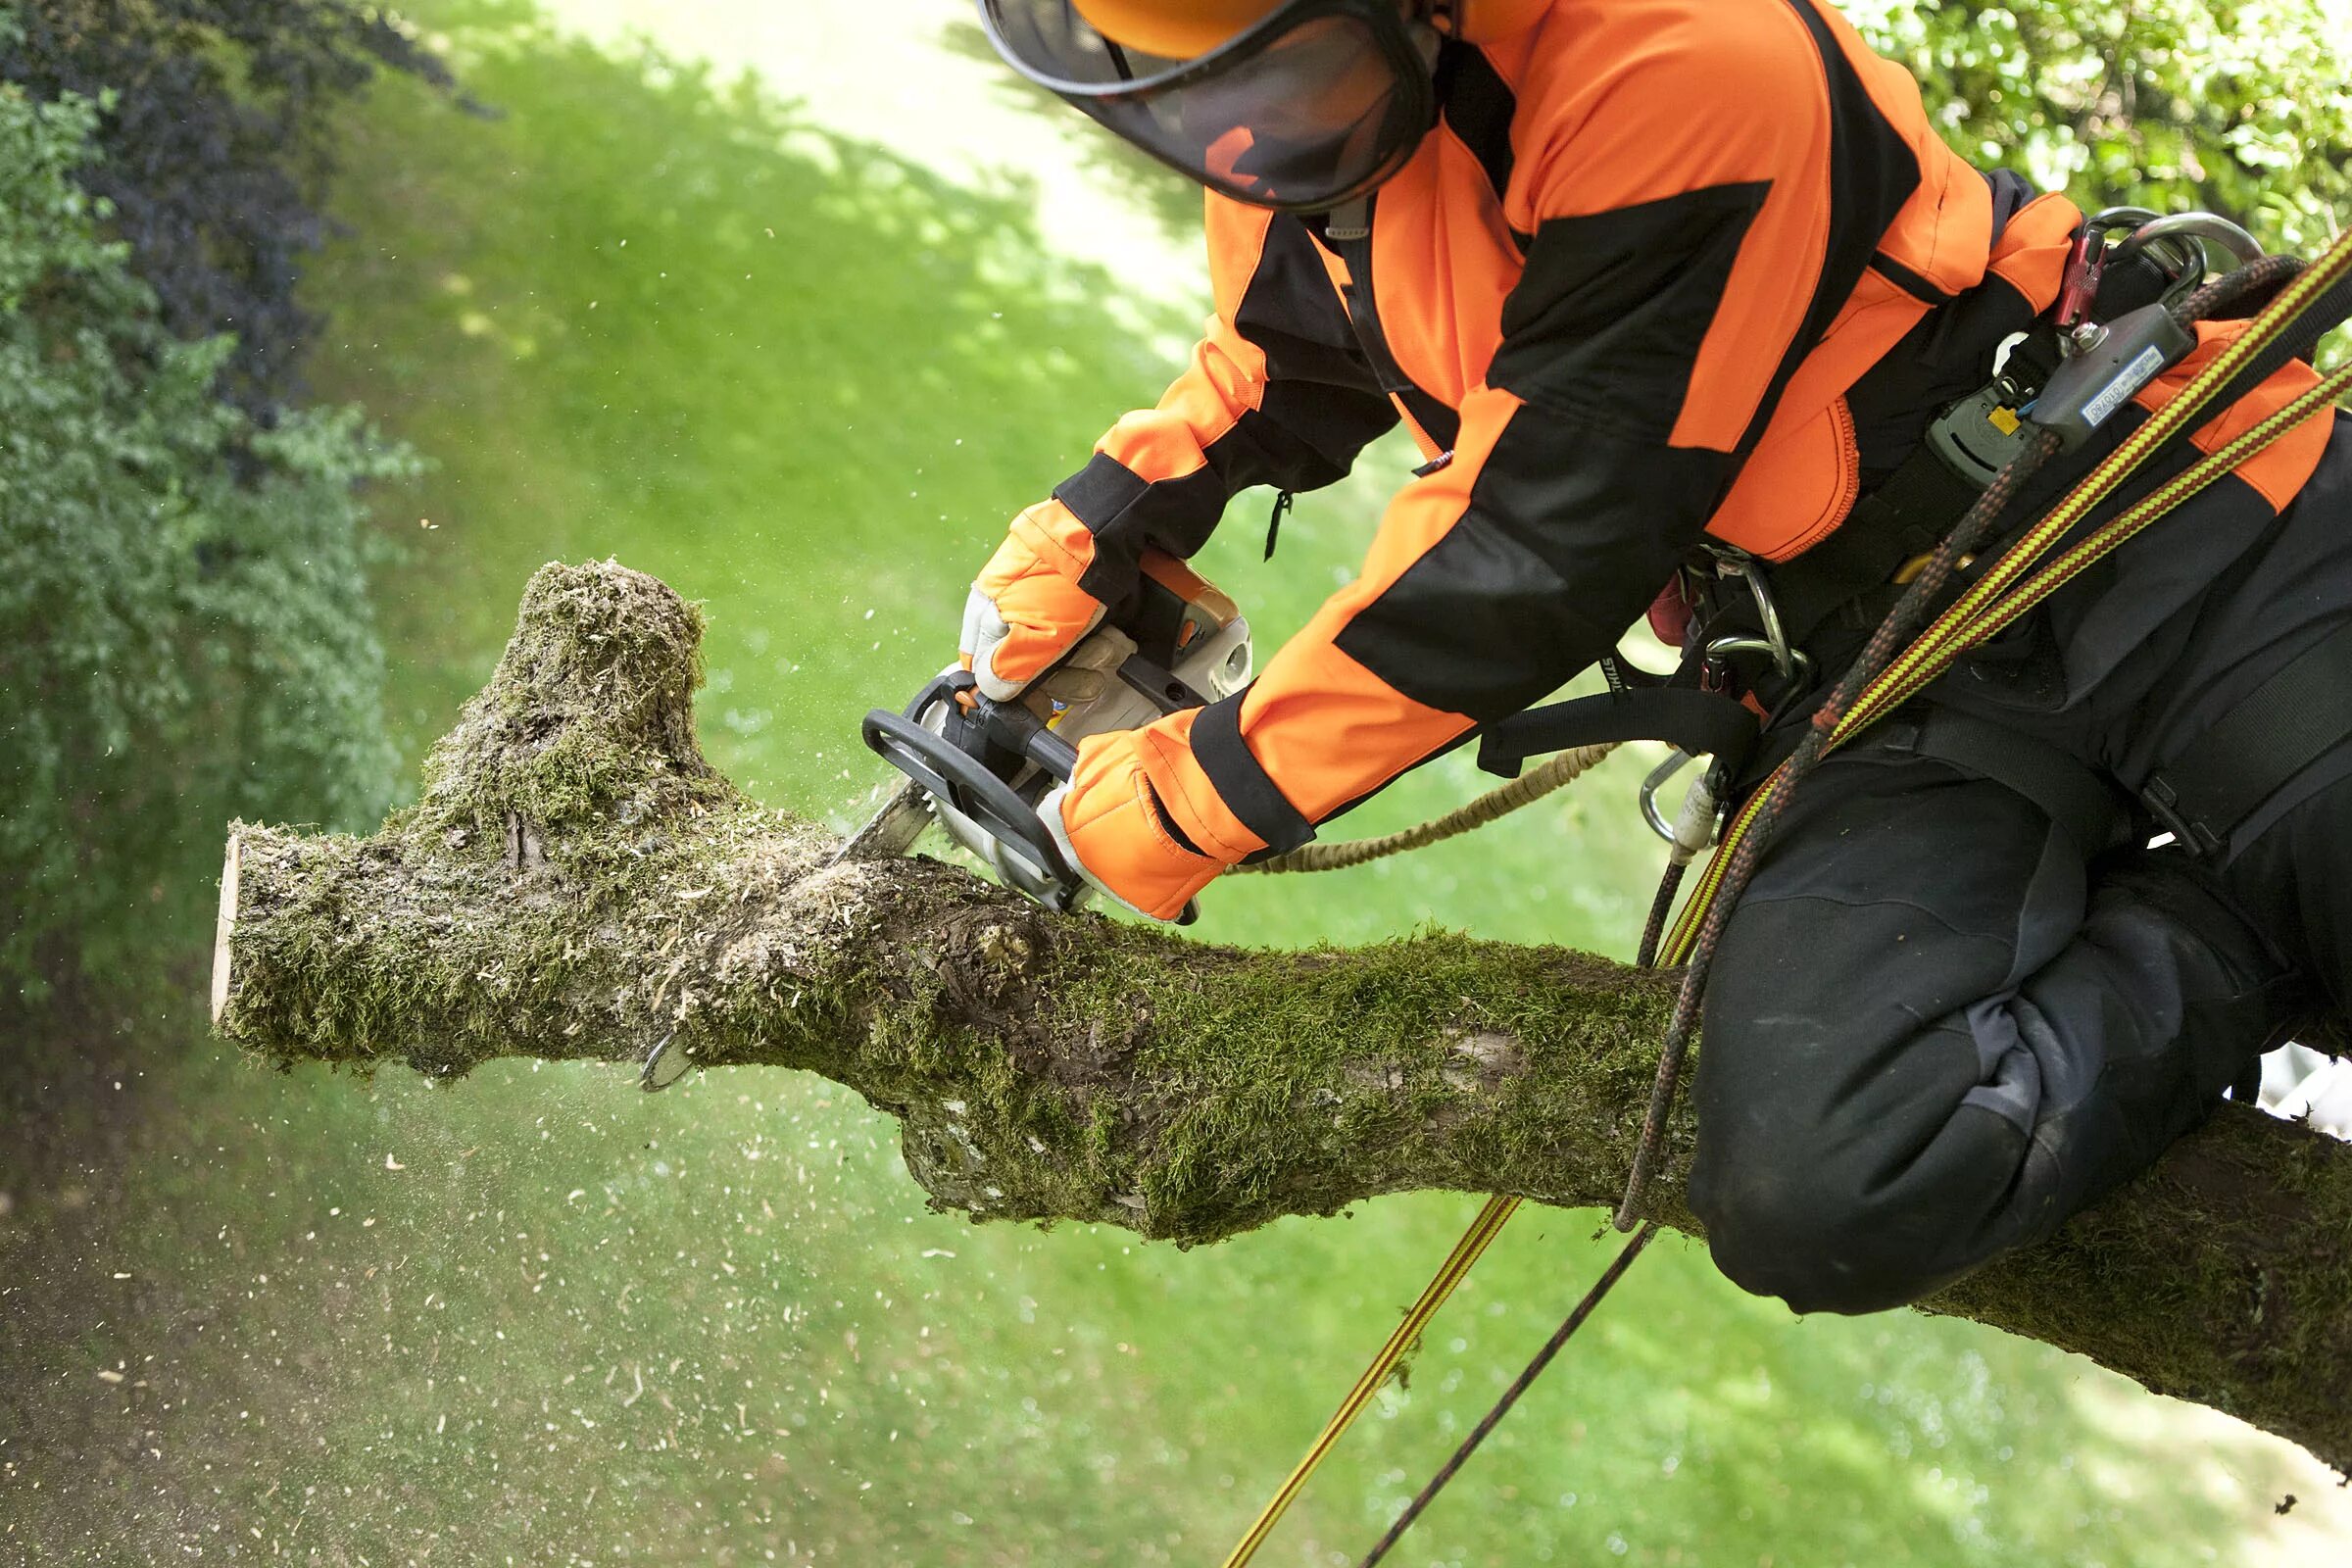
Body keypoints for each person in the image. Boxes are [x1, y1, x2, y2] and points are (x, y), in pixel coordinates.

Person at [963, 0, 2350, 1312]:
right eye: (1199, 88)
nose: (1242, 124)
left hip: (2177, 532)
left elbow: (1529, 548)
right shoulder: (1295, 128)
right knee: (1828, 1184)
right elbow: (1289, 351)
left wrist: (1195, 794)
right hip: (1874, 684)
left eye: (1278, 68)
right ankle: (2241, 939)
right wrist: (1112, 522)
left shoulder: (1682, 61)